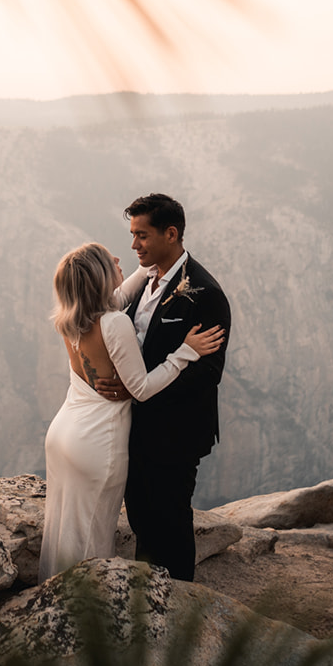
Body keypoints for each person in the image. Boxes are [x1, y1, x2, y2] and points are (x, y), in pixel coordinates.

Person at [41, 242, 225, 579]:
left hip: (64, 433)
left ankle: (52, 595)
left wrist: (159, 256)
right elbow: (140, 388)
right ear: (98, 277)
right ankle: (84, 609)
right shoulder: (114, 323)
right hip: (98, 440)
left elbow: (128, 287)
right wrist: (184, 352)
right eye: (108, 259)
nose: (117, 258)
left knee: (63, 528)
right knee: (92, 535)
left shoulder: (71, 318)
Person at [96, 193, 231, 582]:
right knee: (140, 515)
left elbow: (207, 373)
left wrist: (140, 391)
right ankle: (147, 594)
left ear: (171, 234)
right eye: (133, 234)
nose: (134, 244)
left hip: (176, 432)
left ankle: (179, 603)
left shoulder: (207, 295)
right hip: (133, 426)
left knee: (170, 519)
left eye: (142, 235)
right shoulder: (141, 282)